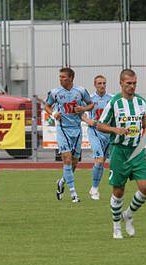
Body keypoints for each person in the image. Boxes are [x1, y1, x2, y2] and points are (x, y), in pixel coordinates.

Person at [96, 69, 146, 239]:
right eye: (129, 83)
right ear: (121, 83)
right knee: (119, 191)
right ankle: (116, 227)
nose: (132, 86)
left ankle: (128, 214)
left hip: (137, 151)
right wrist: (115, 129)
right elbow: (100, 125)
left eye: (134, 83)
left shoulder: (141, 102)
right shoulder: (114, 103)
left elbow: (144, 123)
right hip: (119, 151)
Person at [45, 67, 93, 203]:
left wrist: (83, 108)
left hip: (77, 130)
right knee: (66, 159)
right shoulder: (55, 92)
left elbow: (91, 105)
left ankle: (61, 182)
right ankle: (73, 194)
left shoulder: (81, 91)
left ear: (71, 78)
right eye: (60, 77)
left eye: (63, 77)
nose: (60, 79)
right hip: (62, 129)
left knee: (74, 163)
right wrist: (54, 113)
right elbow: (47, 106)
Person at [81, 75, 113, 200]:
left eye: (104, 83)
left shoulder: (111, 99)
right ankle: (94, 189)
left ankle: (95, 187)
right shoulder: (90, 99)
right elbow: (81, 113)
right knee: (99, 159)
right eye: (99, 83)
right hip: (94, 131)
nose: (102, 85)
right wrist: (87, 120)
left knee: (102, 162)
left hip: (108, 133)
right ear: (95, 85)